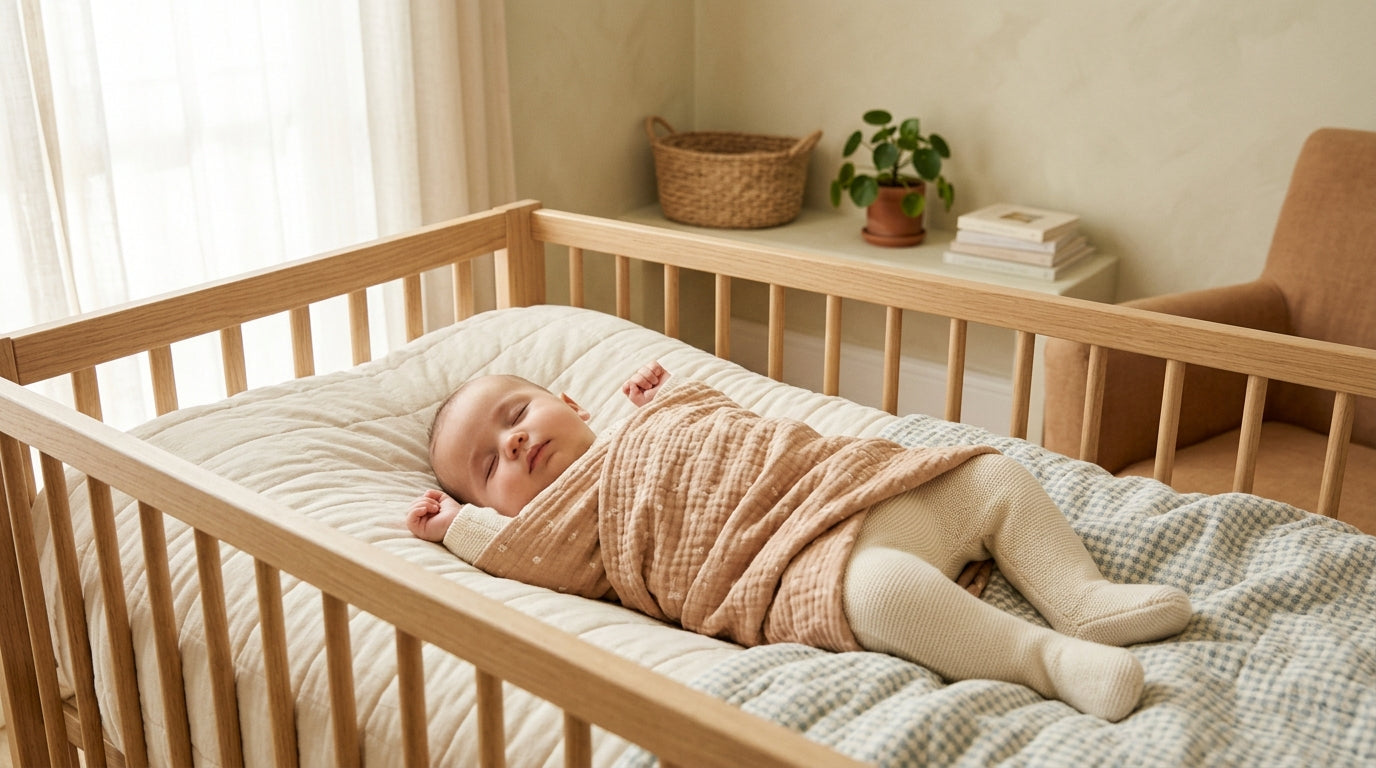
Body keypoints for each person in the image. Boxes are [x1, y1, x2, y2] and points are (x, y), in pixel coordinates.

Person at [407, 362, 1192, 722]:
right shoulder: (568, 525)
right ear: (496, 507)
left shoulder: (652, 419)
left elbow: (733, 427)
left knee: (993, 477)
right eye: (487, 466)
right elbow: (521, 555)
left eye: (516, 416)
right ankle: (1049, 661)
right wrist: (459, 527)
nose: (512, 445)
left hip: (846, 485)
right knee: (884, 595)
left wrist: (672, 396)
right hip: (802, 560)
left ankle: (1079, 598)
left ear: (569, 401)